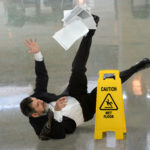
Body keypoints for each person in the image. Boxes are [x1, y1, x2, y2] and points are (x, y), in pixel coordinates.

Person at [20, 15, 150, 140]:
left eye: (37, 99)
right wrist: (58, 111)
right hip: (85, 108)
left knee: (77, 68)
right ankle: (138, 67)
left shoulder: (38, 98)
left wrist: (37, 54)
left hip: (72, 94)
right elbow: (60, 134)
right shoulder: (40, 127)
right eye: (38, 104)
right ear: (35, 114)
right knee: (108, 84)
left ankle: (90, 30)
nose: (41, 101)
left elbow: (42, 77)